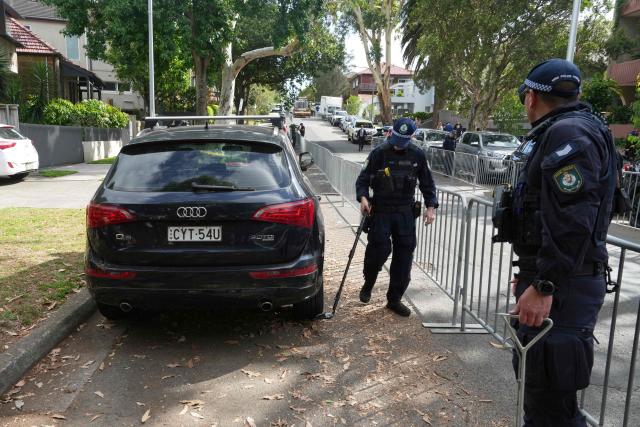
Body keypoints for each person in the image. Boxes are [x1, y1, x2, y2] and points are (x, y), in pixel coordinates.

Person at [507, 59, 617, 426]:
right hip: (560, 279)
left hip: (565, 286)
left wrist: (544, 284)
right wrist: (531, 275)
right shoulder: (575, 128)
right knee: (544, 398)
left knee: (549, 407)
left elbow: (572, 221)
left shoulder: (568, 134)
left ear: (531, 98)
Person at [355, 118, 438, 317]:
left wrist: (430, 208)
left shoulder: (417, 155)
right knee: (378, 250)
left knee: (404, 256)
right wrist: (363, 198)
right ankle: (369, 282)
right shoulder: (379, 153)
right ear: (391, 133)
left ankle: (394, 299)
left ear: (411, 137)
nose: (399, 144)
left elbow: (428, 183)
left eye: (404, 140)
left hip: (405, 212)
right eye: (397, 138)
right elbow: (363, 179)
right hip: (381, 210)